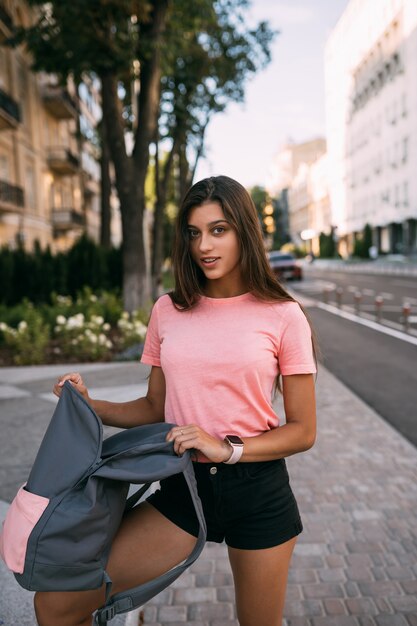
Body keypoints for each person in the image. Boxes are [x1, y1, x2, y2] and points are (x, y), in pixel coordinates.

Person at [35, 175, 317, 626]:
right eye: (194, 232)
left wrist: (227, 447)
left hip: (257, 491)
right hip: (182, 486)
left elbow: (303, 431)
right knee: (57, 605)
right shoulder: (169, 310)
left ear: (244, 230)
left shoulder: (283, 316)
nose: (204, 244)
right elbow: (153, 408)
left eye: (219, 229)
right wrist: (90, 404)